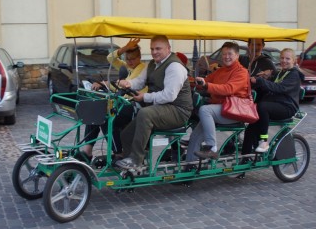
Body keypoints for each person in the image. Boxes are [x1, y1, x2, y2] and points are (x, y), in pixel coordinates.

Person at [115, 35, 193, 169]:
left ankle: (136, 160)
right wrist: (128, 83)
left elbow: (169, 96)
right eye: (152, 49)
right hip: (161, 107)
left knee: (145, 114)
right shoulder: (152, 64)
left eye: (158, 48)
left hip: (178, 110)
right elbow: (140, 81)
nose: (154, 52)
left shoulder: (174, 67)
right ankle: (129, 168)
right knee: (126, 134)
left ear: (168, 48)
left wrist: (145, 97)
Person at [82, 38, 147, 159]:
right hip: (124, 103)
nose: (130, 61)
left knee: (105, 115)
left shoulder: (142, 68)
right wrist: (125, 48)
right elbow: (110, 58)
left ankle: (119, 152)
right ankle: (87, 150)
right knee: (95, 112)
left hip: (136, 106)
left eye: (133, 59)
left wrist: (105, 83)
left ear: (139, 57)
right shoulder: (127, 67)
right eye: (127, 59)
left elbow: (125, 83)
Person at [185, 41, 249, 162]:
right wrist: (188, 81)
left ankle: (212, 148)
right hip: (219, 110)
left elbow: (228, 89)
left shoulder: (242, 72)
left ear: (237, 55)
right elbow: (205, 82)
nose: (226, 57)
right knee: (195, 136)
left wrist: (207, 85)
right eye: (224, 54)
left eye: (229, 54)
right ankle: (189, 169)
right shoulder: (220, 71)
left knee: (205, 110)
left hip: (234, 111)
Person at [241, 48, 304, 153]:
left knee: (263, 107)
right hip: (277, 104)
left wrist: (262, 81)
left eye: (287, 59)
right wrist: (256, 80)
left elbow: (279, 88)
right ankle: (245, 157)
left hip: (287, 107)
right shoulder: (280, 72)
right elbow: (270, 85)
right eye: (282, 58)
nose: (284, 60)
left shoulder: (294, 75)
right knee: (251, 127)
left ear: (294, 60)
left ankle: (264, 141)